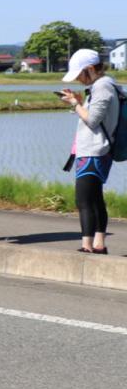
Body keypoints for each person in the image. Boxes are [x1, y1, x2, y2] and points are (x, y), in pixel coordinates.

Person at [60, 49, 120, 254]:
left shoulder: (102, 87)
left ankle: (87, 245)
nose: (77, 79)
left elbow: (92, 120)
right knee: (94, 198)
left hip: (94, 151)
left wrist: (75, 104)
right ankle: (98, 244)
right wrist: (79, 101)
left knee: (84, 199)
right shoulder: (104, 85)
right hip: (98, 150)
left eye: (79, 74)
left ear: (91, 69)